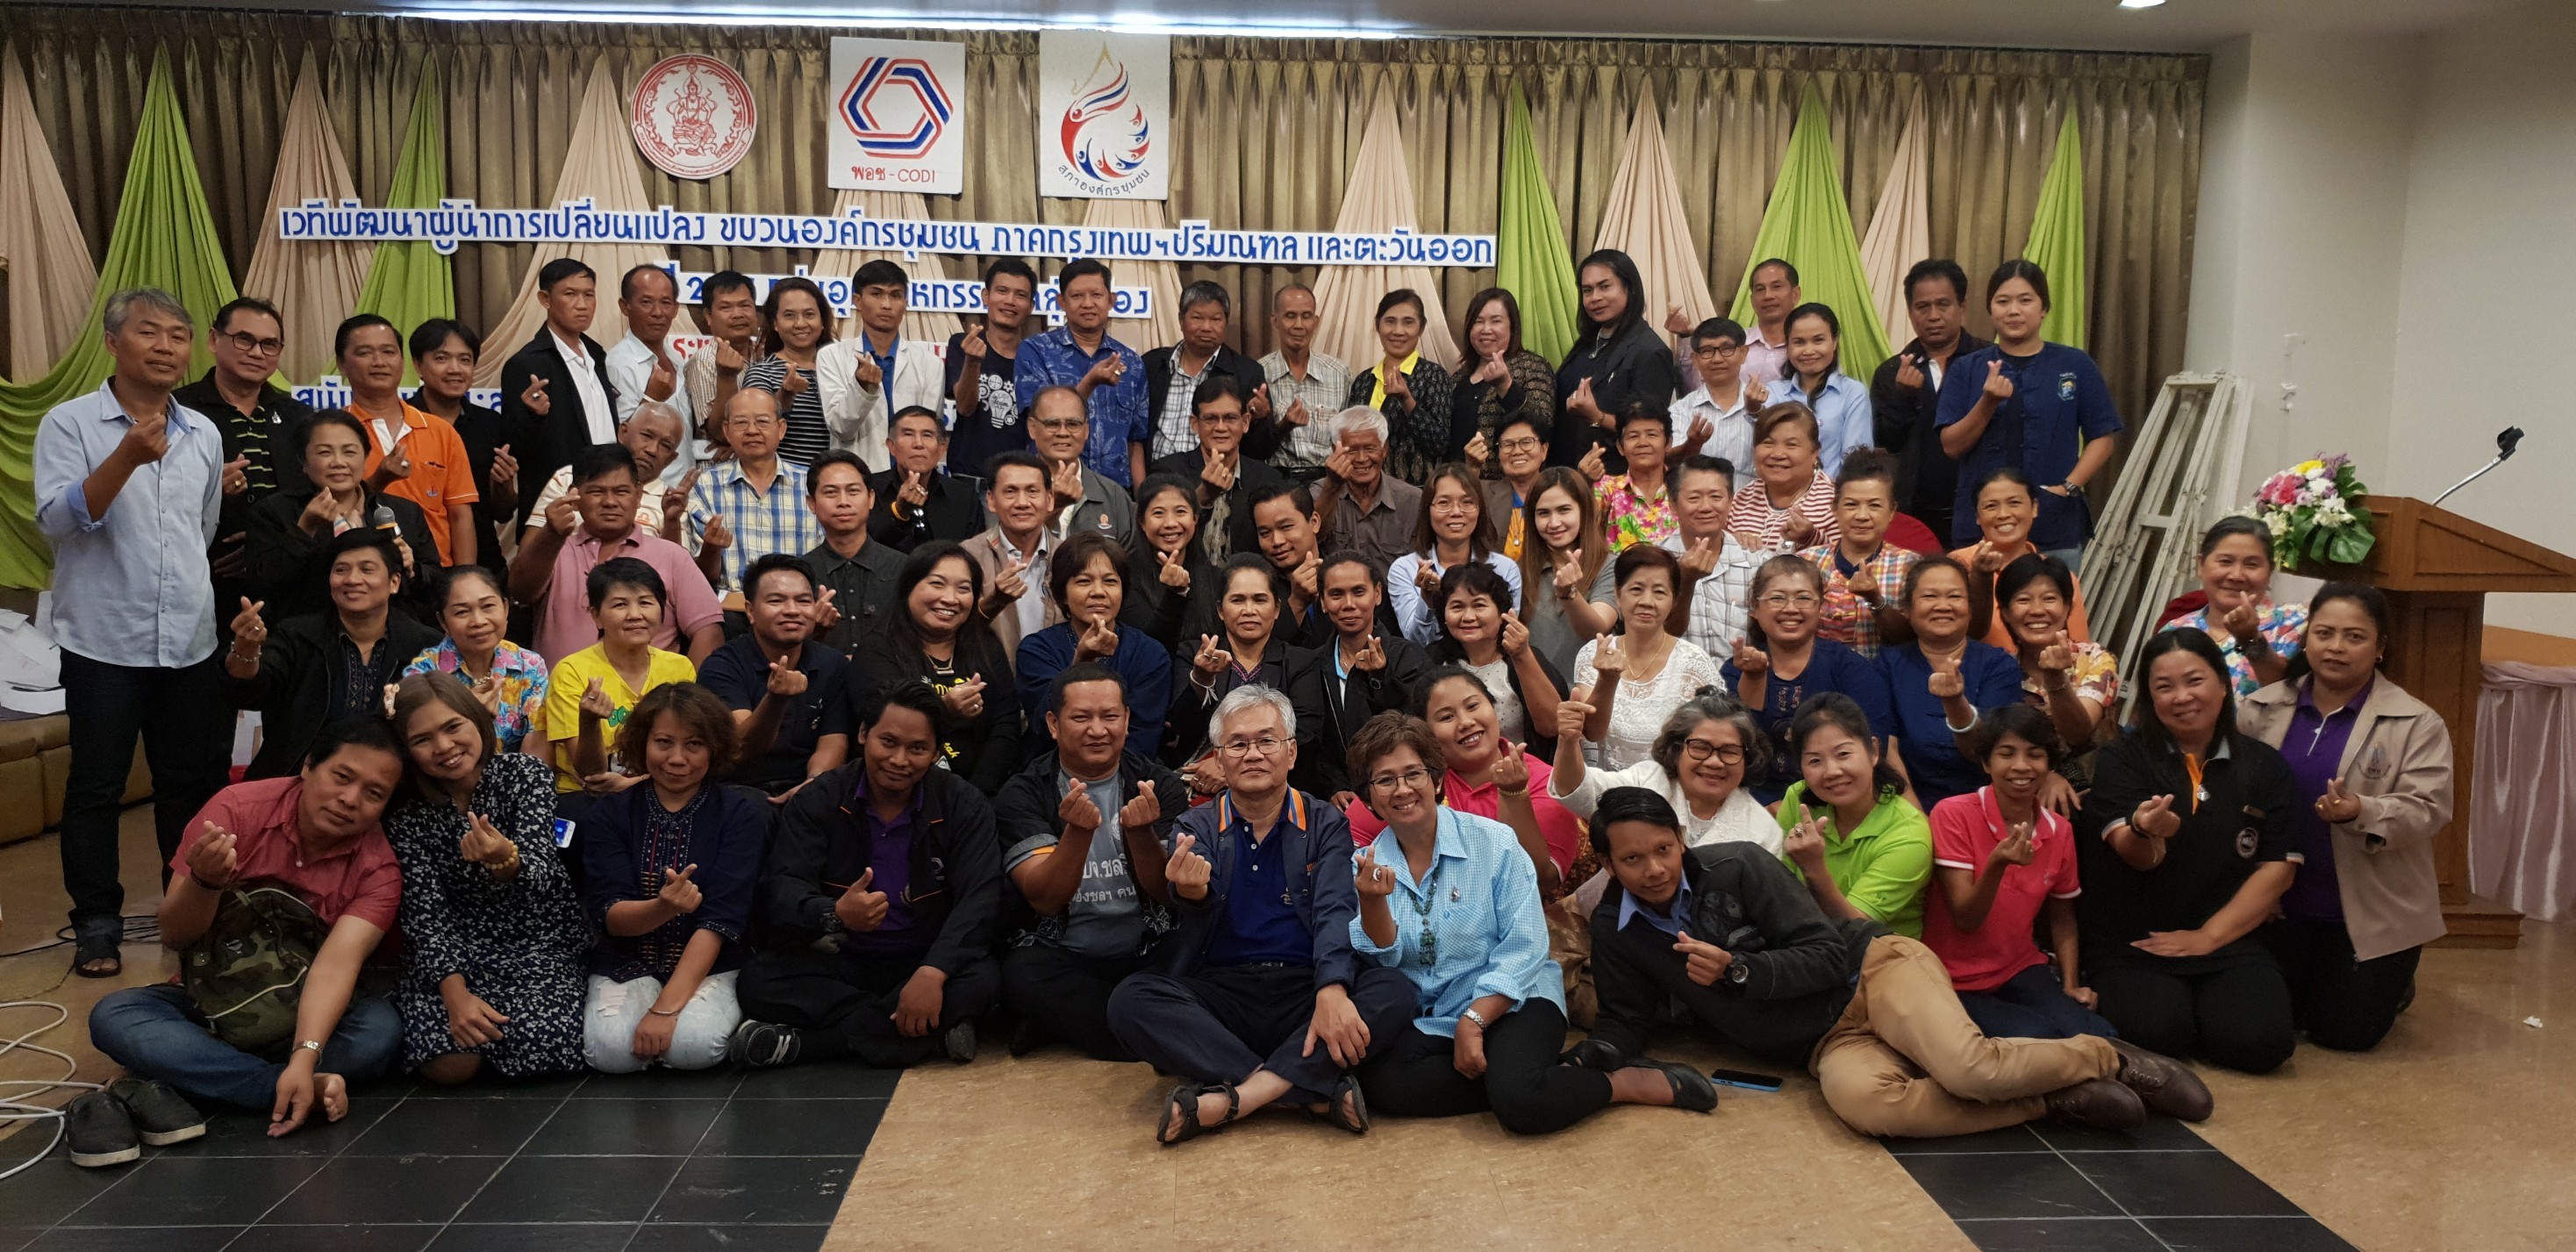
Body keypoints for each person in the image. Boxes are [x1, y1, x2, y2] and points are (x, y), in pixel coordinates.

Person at [1583, 786, 2210, 1137]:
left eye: (1663, 849)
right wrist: (1596, 1056)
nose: (1654, 869)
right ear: (1608, 865)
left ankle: (2108, 1056)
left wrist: (1739, 971)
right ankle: (2055, 1099)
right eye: (1632, 860)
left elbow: (1827, 950)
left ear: (1681, 840)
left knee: (1967, 1068)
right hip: (1819, 1040)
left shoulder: (1738, 863)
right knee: (1869, 1107)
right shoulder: (1614, 926)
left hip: (1872, 970)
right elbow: (1625, 1014)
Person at [1347, 714, 1713, 1132]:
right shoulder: (1365, 865)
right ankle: (1544, 1074)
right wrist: (1372, 903)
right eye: (1385, 780)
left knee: (1519, 1103)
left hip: (1518, 996)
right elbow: (1386, 961)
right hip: (1438, 1010)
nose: (1403, 789)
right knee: (1386, 1084)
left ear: (1437, 779)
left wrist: (1476, 1019)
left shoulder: (1495, 843)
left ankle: (1620, 1083)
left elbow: (1526, 947)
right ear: (1369, 797)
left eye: (1414, 773)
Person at [1106, 685, 1420, 1143]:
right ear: (1219, 758)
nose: (1253, 754)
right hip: (1223, 994)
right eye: (1238, 744)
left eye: (1266, 741)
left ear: (1291, 752)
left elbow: (1335, 909)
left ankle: (1235, 1096)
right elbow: (1191, 905)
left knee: (1394, 990)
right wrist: (1191, 891)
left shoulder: (1325, 822)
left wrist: (1331, 989)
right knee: (1130, 1000)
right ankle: (1301, 1090)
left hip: (1306, 991)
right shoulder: (1196, 823)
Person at [82, 720, 404, 1153]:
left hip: (308, 1013)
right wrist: (205, 884)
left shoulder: (379, 869)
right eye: (342, 777)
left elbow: (336, 967)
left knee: (379, 1032)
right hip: (211, 1004)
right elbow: (175, 935)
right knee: (115, 1016)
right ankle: (282, 1087)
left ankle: (212, 1074)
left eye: (374, 794)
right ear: (309, 766)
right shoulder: (236, 810)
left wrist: (306, 1052)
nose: (350, 799)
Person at [35, 289, 238, 977]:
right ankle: (96, 924)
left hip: (189, 638)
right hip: (103, 640)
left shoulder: (202, 432)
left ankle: (188, 915)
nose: (166, 346)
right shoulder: (70, 423)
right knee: (97, 786)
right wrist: (125, 456)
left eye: (178, 335)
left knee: (187, 785)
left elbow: (202, 529)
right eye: (150, 332)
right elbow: (57, 521)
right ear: (113, 341)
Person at [733, 682, 1003, 1068]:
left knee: (983, 981)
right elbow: (782, 889)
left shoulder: (963, 803)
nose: (899, 759)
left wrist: (933, 972)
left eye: (918, 749)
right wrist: (834, 913)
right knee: (759, 980)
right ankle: (926, 1028)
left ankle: (810, 1046)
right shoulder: (820, 798)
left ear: (936, 753)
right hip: (843, 957)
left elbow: (982, 899)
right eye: (887, 742)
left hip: (924, 955)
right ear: (863, 734)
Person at [2240, 583, 2452, 1053]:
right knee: (2273, 1021)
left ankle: (2391, 980)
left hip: (2368, 911)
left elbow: (2428, 808)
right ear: (2306, 640)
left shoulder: (2417, 722)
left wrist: (2361, 810)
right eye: (2324, 633)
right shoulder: (2261, 707)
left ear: (2380, 648)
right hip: (2276, 906)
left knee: (2344, 1034)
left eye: (2354, 637)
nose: (2336, 647)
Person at [2079, 629, 2301, 1073]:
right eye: (2164, 687)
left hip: (2228, 937)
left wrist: (2209, 937)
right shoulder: (2122, 758)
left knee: (2261, 1043)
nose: (2182, 697)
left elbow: (2277, 867)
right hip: (2136, 940)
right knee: (2159, 1035)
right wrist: (2145, 830)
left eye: (2195, 681)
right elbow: (2134, 853)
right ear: (2149, 698)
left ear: (2223, 684)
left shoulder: (2264, 764)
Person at [383, 673, 589, 1083]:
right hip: (456, 947)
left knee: (543, 1041)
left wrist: (504, 859)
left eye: (453, 727)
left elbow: (543, 876)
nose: (444, 746)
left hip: (536, 940)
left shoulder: (525, 774)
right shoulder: (405, 810)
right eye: (422, 740)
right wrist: (455, 996)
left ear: (477, 719)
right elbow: (426, 915)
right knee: (448, 1064)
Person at [994, 664, 1190, 1059]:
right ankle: (1147, 1029)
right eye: (1081, 718)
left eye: (1110, 716)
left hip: (1147, 948)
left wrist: (1141, 835)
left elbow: (1169, 895)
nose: (1098, 730)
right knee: (1021, 973)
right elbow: (1044, 899)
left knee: (1197, 950)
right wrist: (1078, 833)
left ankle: (1069, 1025)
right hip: (1065, 954)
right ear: (1053, 724)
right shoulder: (1024, 792)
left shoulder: (1158, 784)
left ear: (1127, 720)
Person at [577, 683, 767, 1072]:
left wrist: (664, 1010)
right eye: (663, 742)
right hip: (626, 960)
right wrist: (662, 908)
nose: (677, 759)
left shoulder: (740, 813)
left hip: (714, 963)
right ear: (642, 743)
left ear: (714, 748)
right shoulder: (611, 813)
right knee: (611, 1052)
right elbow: (609, 915)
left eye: (694, 745)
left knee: (691, 1047)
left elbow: (722, 920)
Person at [1923, 705, 2114, 1041]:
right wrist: (1997, 864)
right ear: (1986, 763)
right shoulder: (1952, 814)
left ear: (2049, 765)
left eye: (2035, 755)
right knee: (2039, 1038)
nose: (2022, 766)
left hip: (2020, 968)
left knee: (2097, 1034)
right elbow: (1966, 918)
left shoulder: (2059, 830)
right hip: (1953, 979)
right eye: (2006, 754)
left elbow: (2062, 916)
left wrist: (2071, 985)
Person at [1936, 260, 2121, 560]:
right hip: (1980, 528)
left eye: (2025, 300)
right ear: (1990, 309)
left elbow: (2103, 437)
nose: (2013, 311)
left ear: (2043, 308)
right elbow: (1951, 446)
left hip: (2053, 522)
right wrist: (1988, 402)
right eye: (2003, 301)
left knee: (2052, 591)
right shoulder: (1965, 368)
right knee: (1980, 591)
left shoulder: (2075, 364)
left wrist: (2068, 487)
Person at [225, 530, 440, 781]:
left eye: (367, 569)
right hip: (299, 777)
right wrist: (245, 650)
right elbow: (249, 692)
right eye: (341, 570)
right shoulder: (297, 635)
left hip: (394, 784)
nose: (352, 579)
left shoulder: (425, 646)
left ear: (394, 582)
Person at [1345, 668, 1581, 892]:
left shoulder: (1545, 781)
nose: (1466, 722)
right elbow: (1348, 848)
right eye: (1447, 717)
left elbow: (1541, 879)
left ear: (1493, 707)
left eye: (1473, 706)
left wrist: (1514, 794)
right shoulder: (1414, 780)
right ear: (1426, 732)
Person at [510, 444, 723, 669]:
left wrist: (687, 689)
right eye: (596, 492)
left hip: (653, 691)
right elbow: (520, 592)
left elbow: (709, 630)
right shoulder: (554, 550)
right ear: (575, 496)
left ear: (638, 495)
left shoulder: (672, 556)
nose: (610, 502)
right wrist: (551, 536)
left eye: (621, 492)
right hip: (559, 689)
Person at [1723, 555, 1900, 804]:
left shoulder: (1851, 670)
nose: (1791, 608)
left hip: (1836, 798)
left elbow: (1871, 749)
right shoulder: (1735, 670)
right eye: (1777, 598)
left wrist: (1796, 806)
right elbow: (1730, 750)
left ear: (1821, 607)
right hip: (1748, 803)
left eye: (1803, 598)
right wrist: (1753, 678)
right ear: (1754, 608)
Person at [851, 540, 1022, 794]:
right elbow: (884, 727)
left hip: (981, 794)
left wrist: (975, 795)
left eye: (963, 589)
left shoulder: (986, 644)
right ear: (909, 587)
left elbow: (1006, 724)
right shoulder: (877, 650)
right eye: (937, 584)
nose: (950, 599)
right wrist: (944, 711)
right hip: (900, 790)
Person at [173, 296, 312, 605]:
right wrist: (209, 490)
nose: (257, 353)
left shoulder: (299, 417)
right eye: (244, 340)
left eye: (269, 344)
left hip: (292, 580)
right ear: (213, 339)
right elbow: (152, 498)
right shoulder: (178, 411)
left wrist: (265, 545)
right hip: (203, 579)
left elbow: (316, 494)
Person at [243, 409, 437, 626]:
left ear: (366, 457)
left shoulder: (403, 511)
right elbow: (262, 585)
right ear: (303, 461)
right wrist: (304, 531)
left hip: (393, 633)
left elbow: (437, 584)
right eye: (325, 453)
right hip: (308, 636)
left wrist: (413, 569)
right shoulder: (273, 512)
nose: (338, 462)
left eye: (349, 452)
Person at [330, 315, 482, 569]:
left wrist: (463, 579)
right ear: (341, 364)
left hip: (433, 574)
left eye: (388, 352)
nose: (379, 362)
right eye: (365, 353)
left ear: (403, 361)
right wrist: (379, 480)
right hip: (360, 573)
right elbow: (329, 509)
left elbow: (460, 516)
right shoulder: (333, 432)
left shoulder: (441, 431)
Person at [1774, 692, 1931, 934]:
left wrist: (1813, 868)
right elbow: (1777, 887)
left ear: (1874, 751)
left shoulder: (1909, 835)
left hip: (1876, 951)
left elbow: (1858, 928)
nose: (1832, 771)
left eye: (1843, 755)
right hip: (1800, 941)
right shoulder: (1798, 798)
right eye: (1815, 761)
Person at [544, 558, 699, 799]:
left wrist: (635, 785)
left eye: (645, 602)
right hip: (586, 796)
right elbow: (591, 773)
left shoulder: (680, 667)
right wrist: (589, 721)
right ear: (596, 616)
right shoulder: (571, 671)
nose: (635, 615)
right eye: (620, 605)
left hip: (662, 789)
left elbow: (688, 752)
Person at [697, 554, 851, 797]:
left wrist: (812, 787)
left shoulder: (832, 663)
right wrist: (776, 700)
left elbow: (833, 742)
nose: (792, 611)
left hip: (807, 788)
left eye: (803, 601)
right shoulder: (722, 666)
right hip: (737, 790)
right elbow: (739, 749)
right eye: (776, 601)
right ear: (750, 612)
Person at [1014, 532, 1174, 763]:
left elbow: (1143, 740)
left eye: (1110, 581)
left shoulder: (1149, 653)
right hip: (1053, 772)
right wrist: (1081, 662)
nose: (1098, 592)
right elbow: (1044, 726)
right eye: (1083, 581)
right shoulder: (1036, 650)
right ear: (1062, 593)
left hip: (1129, 773)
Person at [1550, 690, 1778, 852]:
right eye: (1700, 747)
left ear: (1747, 759)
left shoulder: (1763, 831)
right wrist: (1568, 741)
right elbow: (1579, 791)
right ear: (1676, 750)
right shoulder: (1648, 781)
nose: (1714, 762)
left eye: (1729, 752)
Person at [1879, 557, 2024, 808]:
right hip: (1903, 805)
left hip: (1985, 803)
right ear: (1907, 609)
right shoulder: (1886, 665)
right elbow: (1885, 748)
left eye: (1955, 596)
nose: (1943, 606)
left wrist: (1955, 703)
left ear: (1970, 609)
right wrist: (1916, 820)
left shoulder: (1999, 665)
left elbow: (1988, 751)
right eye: (1930, 596)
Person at [1289, 554, 1433, 804]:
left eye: (1358, 592)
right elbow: (1313, 742)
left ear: (1377, 594)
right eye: (1336, 594)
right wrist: (1335, 787)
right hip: (1338, 802)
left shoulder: (1407, 656)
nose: (1348, 604)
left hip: (1402, 792)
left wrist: (1380, 679)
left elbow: (1420, 726)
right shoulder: (1312, 664)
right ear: (1323, 602)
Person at [1573, 546, 1724, 773]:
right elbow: (1592, 732)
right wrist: (1607, 679)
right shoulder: (1595, 653)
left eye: (1659, 592)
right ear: (1618, 594)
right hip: (1611, 787)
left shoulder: (1694, 662)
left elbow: (1716, 736)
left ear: (1674, 600)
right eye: (1636, 589)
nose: (1647, 601)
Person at [1169, 555, 1326, 773]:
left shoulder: (1300, 662)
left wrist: (1228, 766)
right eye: (1238, 600)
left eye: (1260, 600)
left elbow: (1305, 736)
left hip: (1275, 779)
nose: (1249, 610)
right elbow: (1180, 727)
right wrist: (1201, 680)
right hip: (1197, 780)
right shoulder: (1194, 654)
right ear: (1220, 610)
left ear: (1277, 609)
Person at [1872, 259, 1987, 542]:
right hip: (1914, 513)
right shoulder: (1891, 372)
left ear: (1962, 307)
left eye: (1943, 304)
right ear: (1910, 312)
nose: (1933, 316)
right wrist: (1904, 397)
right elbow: (1886, 444)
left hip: (1981, 509)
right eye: (1922, 307)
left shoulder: (1989, 363)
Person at [1015, 258, 1150, 489]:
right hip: (1051, 487)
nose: (1088, 303)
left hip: (1114, 493)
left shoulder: (1131, 362)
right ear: (1061, 302)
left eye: (1096, 295)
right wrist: (1090, 383)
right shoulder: (1036, 351)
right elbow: (1041, 418)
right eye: (1077, 296)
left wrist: (1142, 499)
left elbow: (1135, 440)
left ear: (1111, 300)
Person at [500, 258, 619, 503]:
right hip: (556, 499)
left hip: (606, 494)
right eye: (570, 294)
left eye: (589, 295)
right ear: (545, 299)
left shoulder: (596, 354)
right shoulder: (527, 364)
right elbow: (513, 447)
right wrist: (532, 416)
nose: (582, 305)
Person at [1552, 249, 1680, 474]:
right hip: (1567, 471)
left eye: (1605, 287)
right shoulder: (1587, 342)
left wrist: (1596, 416)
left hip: (1613, 478)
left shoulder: (1650, 351)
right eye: (1587, 290)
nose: (1595, 297)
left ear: (1629, 288)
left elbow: (1647, 429)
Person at [402, 566, 551, 755]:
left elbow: (537, 746)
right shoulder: (423, 672)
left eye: (488, 606)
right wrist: (470, 714)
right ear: (443, 622)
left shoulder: (529, 665)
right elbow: (421, 746)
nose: (478, 621)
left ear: (505, 608)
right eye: (462, 612)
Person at [407, 319, 520, 566]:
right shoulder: (402, 422)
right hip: (416, 562)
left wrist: (504, 486)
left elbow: (502, 513)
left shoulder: (491, 423)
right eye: (441, 359)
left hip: (482, 562)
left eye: (465, 360)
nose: (455, 369)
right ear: (418, 365)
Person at [682, 389, 816, 597]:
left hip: (799, 605)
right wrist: (712, 548)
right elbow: (701, 576)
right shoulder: (704, 486)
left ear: (781, 428)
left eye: (762, 421)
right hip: (730, 607)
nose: (752, 430)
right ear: (727, 431)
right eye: (741, 422)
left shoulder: (811, 484)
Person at [1428, 562, 1567, 759]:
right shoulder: (1432, 661)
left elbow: (1553, 726)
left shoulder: (1523, 657)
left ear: (1502, 614)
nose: (1468, 617)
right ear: (1444, 615)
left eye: (1479, 605)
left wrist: (1522, 655)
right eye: (1457, 607)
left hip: (1522, 768)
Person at [1953, 468, 2095, 652]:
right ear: (1978, 517)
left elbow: (2079, 647)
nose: (2003, 514)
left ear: (2034, 508)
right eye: (1991, 506)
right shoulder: (1957, 566)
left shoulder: (2058, 575)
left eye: (2014, 503)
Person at [2164, 516, 2307, 698]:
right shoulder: (2175, 630)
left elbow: (2289, 695)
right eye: (2225, 562)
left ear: (2270, 571)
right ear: (2200, 565)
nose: (2236, 575)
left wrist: (2251, 640)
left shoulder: (2297, 625)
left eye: (2252, 565)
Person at [821, 259, 944, 470]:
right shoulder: (832, 356)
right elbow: (841, 428)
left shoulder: (930, 363)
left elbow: (927, 433)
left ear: (905, 303)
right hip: (856, 477)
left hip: (912, 477)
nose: (887, 305)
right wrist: (861, 388)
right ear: (858, 301)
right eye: (877, 294)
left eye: (895, 295)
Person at [1994, 553, 2118, 760]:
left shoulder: (2095, 659)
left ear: (2067, 607)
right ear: (2005, 612)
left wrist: (2056, 681)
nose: (2037, 610)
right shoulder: (1998, 668)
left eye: (2049, 598)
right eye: (2023, 600)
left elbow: (2078, 733)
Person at [1150, 377, 1284, 562]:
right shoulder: (1167, 472)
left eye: (1230, 418)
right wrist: (1203, 496)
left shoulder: (1268, 479)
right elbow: (1160, 531)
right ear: (1195, 424)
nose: (1221, 427)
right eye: (1211, 418)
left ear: (1245, 422)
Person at [1800, 448, 1915, 658]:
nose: (1862, 515)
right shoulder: (1806, 562)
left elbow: (1913, 639)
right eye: (1851, 505)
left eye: (1874, 506)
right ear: (1834, 508)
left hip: (1884, 674)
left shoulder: (1909, 566)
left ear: (1891, 511)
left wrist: (1875, 600)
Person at [1390, 462, 1521, 646]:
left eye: (1467, 502)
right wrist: (1427, 601)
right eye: (1444, 503)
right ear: (1427, 510)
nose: (1456, 512)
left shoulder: (1505, 568)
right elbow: (1415, 642)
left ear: (1480, 509)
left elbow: (1506, 634)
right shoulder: (1405, 569)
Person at [519, 400, 683, 540]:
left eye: (665, 445)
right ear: (623, 432)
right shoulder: (567, 478)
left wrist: (671, 523)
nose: (652, 450)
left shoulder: (672, 505)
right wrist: (552, 533)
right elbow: (524, 563)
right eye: (647, 436)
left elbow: (677, 565)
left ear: (671, 459)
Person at [1147, 281, 1267, 461]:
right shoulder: (1153, 364)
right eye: (1197, 318)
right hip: (1157, 474)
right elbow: (1136, 433)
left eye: (1215, 319)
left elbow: (1261, 450)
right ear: (1181, 320)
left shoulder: (1247, 372)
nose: (1206, 327)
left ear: (1226, 323)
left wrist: (1260, 420)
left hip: (1217, 472)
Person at [1515, 467, 1616, 676]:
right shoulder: (1519, 570)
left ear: (1584, 510)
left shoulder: (1609, 565)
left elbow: (1596, 630)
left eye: (1564, 510)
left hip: (1592, 687)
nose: (1554, 523)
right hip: (1534, 688)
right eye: (1543, 513)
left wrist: (1569, 594)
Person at [1660, 454, 1764, 659]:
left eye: (1716, 497)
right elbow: (1653, 636)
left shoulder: (1758, 564)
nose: (1706, 507)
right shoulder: (1655, 564)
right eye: (1694, 498)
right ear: (1672, 504)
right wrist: (1685, 580)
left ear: (1730, 500)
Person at [1348, 290, 1455, 486]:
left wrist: (1407, 400)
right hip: (1363, 489)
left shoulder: (1434, 376)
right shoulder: (1363, 380)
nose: (1398, 331)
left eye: (1408, 322)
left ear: (1421, 328)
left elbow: (1439, 444)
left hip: (1415, 493)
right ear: (1378, 325)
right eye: (1390, 321)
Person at [803, 450, 905, 654]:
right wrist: (813, 631)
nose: (843, 501)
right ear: (812, 503)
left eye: (853, 491)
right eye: (831, 492)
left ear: (871, 498)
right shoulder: (801, 574)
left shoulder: (903, 568)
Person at [961, 452, 1060, 662]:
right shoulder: (967, 557)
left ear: (1050, 499)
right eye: (1010, 492)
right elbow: (952, 629)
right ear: (991, 500)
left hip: (1060, 677)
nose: (1022, 502)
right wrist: (993, 602)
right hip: (989, 677)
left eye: (1032, 491)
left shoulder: (1068, 556)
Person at [946, 258, 1040, 477]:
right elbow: (965, 407)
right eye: (1002, 291)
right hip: (969, 480)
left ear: (1031, 306)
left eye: (1020, 295)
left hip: (1020, 480)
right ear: (986, 296)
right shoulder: (963, 344)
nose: (1010, 301)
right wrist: (973, 362)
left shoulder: (1036, 358)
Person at [733, 275, 838, 469]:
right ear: (775, 323)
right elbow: (756, 430)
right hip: (786, 482)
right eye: (789, 315)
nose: (800, 323)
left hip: (836, 482)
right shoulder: (762, 372)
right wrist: (785, 395)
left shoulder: (840, 369)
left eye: (809, 314)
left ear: (822, 320)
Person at [1449, 288, 1556, 478]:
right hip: (1460, 484)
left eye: (1496, 321)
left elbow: (1543, 423)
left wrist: (1506, 386)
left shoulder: (1532, 366)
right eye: (1478, 322)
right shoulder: (1458, 377)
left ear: (1512, 327)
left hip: (1509, 484)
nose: (1486, 329)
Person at [605, 264, 695, 486]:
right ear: (625, 306)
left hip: (683, 489)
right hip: (645, 491)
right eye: (646, 302)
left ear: (675, 308)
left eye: (666, 303)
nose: (658, 312)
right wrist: (651, 398)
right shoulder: (619, 363)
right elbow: (618, 440)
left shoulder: (676, 357)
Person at [1255, 283, 1349, 481]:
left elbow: (1349, 437)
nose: (1299, 325)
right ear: (1275, 321)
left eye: (1306, 316)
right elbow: (1253, 446)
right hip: (1275, 480)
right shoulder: (1258, 372)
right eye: (1290, 316)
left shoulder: (1339, 373)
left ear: (1316, 322)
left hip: (1328, 481)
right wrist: (1281, 425)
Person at [1312, 405, 1422, 574]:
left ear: (1384, 449)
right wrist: (1332, 486)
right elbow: (1311, 538)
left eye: (1370, 449)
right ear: (1335, 450)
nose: (1362, 459)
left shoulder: (1412, 500)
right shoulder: (1320, 492)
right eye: (1352, 450)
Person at [1769, 303, 1872, 479]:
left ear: (1834, 342)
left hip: (1834, 493)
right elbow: (1766, 447)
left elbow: (1855, 461)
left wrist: (1825, 492)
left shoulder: (1853, 393)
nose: (1809, 351)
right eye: (1799, 342)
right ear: (1787, 345)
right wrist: (1754, 409)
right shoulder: (1774, 392)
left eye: (1818, 340)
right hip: (1782, 491)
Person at [869, 404, 987, 552]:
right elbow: (862, 546)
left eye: (927, 435)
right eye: (908, 434)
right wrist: (899, 511)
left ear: (941, 449)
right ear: (891, 446)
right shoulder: (869, 489)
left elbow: (976, 554)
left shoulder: (964, 497)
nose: (918, 444)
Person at [1027, 384, 1135, 545]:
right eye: (1052, 424)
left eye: (1073, 424)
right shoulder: (1012, 489)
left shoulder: (1113, 496)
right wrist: (1055, 506)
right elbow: (1005, 550)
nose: (1063, 433)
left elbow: (1130, 557)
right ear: (1032, 428)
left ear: (1086, 430)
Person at [1727, 403, 1837, 553]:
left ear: (1815, 453)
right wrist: (1729, 544)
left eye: (1791, 445)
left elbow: (1846, 561)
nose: (1777, 454)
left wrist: (1811, 539)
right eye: (1768, 443)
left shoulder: (1835, 502)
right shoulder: (1741, 499)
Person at [1664, 317, 1766, 476]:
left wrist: (1756, 413)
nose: (1717, 359)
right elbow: (1670, 463)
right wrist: (1692, 445)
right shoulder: (1680, 411)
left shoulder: (1765, 403)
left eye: (1727, 349)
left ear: (1743, 353)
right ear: (1695, 359)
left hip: (1753, 491)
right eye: (1707, 351)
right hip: (1699, 490)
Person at [1122, 474, 1213, 652]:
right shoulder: (1125, 576)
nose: (1170, 523)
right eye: (1158, 513)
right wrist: (1175, 594)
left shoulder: (1213, 575)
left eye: (1181, 512)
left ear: (1195, 518)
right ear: (1142, 522)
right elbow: (1147, 646)